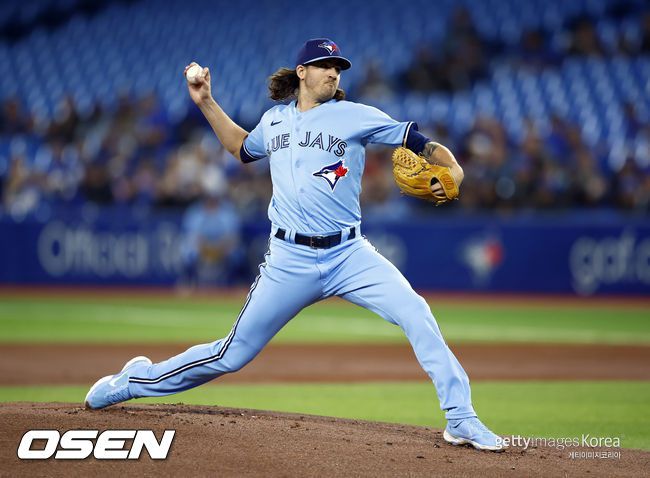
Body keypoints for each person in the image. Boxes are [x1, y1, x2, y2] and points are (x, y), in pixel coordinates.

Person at [84, 38, 504, 452]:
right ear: (302, 72)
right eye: (325, 65)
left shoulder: (356, 115)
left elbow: (422, 142)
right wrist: (206, 102)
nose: (333, 73)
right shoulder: (274, 121)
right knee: (231, 354)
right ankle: (134, 380)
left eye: (337, 67)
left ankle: (460, 417)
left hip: (349, 254)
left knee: (416, 311)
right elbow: (240, 148)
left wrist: (454, 168)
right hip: (289, 259)